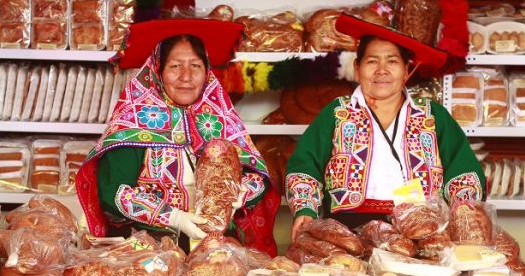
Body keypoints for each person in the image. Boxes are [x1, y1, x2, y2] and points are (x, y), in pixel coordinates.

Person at [76, 19, 279, 255]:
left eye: (195, 66)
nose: (186, 77)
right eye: (175, 66)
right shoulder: (135, 121)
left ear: (207, 72)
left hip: (217, 247)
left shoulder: (220, 120)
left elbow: (258, 177)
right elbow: (113, 191)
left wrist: (243, 192)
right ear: (158, 71)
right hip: (150, 249)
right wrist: (174, 217)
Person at [285, 13, 486, 240]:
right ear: (357, 67)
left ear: (406, 70)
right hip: (347, 230)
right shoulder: (337, 113)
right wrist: (305, 209)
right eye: (372, 61)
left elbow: (462, 169)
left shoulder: (432, 115)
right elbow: (305, 164)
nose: (382, 70)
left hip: (422, 228)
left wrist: (465, 209)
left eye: (392, 61)